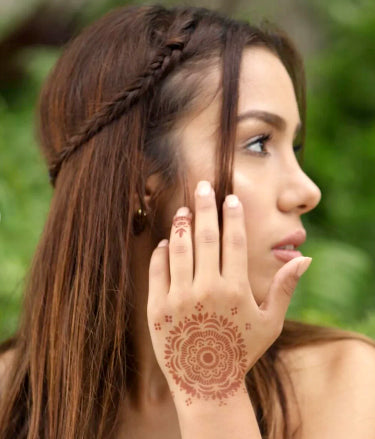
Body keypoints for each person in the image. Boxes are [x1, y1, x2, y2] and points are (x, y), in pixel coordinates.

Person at [0, 4, 375, 438]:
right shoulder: (10, 402)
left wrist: (211, 382)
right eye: (258, 143)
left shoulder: (343, 382)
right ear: (139, 179)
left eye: (294, 146)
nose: (307, 191)